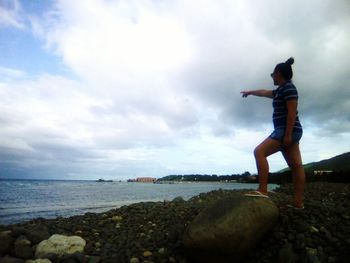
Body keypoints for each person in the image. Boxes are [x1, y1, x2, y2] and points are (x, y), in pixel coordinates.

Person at [240, 57, 305, 209]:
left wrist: (288, 134)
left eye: (272, 75)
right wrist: (250, 92)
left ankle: (263, 190)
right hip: (290, 130)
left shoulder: (289, 88)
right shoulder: (281, 90)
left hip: (286, 130)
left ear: (278, 74)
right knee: (296, 166)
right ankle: (297, 203)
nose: (272, 77)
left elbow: (292, 112)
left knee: (259, 152)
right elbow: (264, 92)